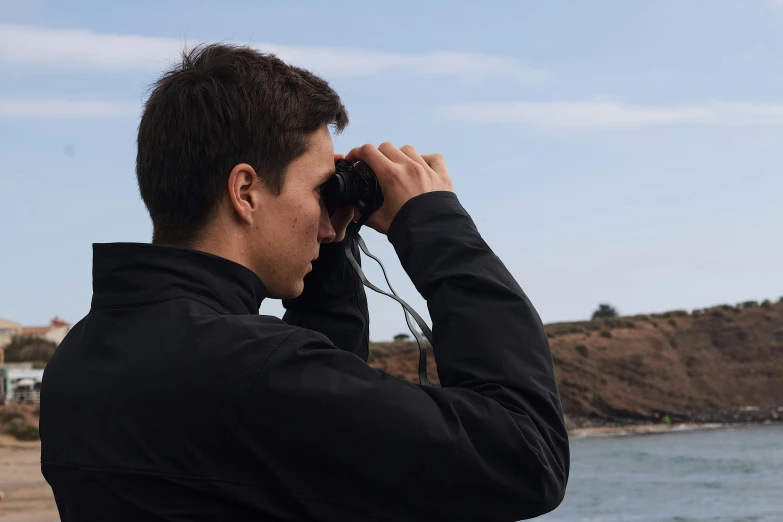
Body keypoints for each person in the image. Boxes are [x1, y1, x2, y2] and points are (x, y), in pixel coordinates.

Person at [39, 43, 569, 521]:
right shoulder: (253, 371)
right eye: (320, 192)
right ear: (245, 190)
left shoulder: (80, 359)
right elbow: (525, 456)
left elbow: (303, 438)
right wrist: (435, 223)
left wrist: (331, 248)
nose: (324, 218)